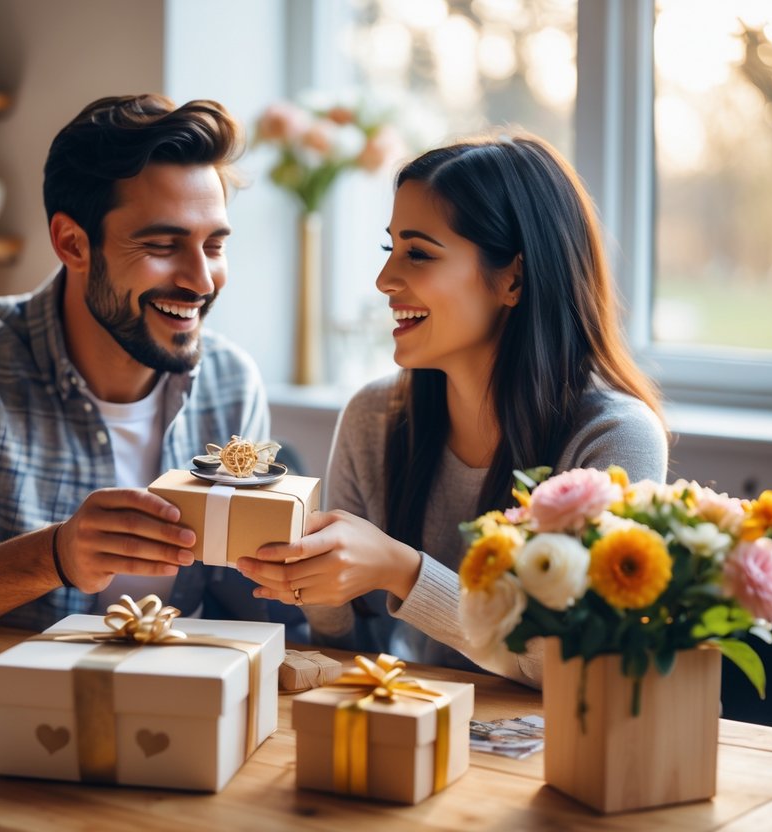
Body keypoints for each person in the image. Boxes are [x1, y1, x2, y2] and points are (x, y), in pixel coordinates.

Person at [0, 94, 302, 639]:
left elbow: (247, 605)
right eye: (163, 244)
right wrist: (54, 556)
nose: (202, 281)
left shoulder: (231, 382)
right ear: (72, 243)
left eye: (213, 246)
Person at [235, 133, 668, 686]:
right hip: (418, 726)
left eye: (418, 253)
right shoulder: (374, 418)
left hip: (558, 751)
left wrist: (402, 570)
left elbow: (567, 666)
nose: (385, 280)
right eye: (389, 248)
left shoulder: (614, 438)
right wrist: (310, 578)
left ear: (512, 277)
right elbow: (345, 649)